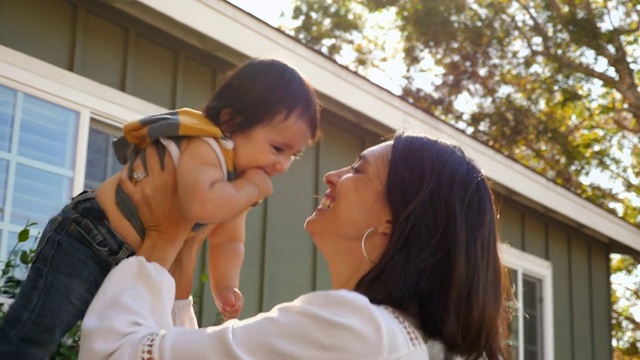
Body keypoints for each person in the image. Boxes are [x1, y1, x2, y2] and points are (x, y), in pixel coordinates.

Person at [79, 132, 512, 360]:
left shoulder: (355, 328)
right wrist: (184, 257)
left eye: (358, 170)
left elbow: (117, 355)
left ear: (391, 221)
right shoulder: (389, 340)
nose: (332, 176)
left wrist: (162, 236)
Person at [0, 58, 321, 359]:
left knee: (118, 341)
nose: (282, 165)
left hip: (137, 264)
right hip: (89, 237)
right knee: (35, 333)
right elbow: (201, 204)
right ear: (231, 121)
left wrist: (226, 286)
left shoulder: (238, 185)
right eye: (277, 148)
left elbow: (228, 241)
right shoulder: (205, 146)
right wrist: (248, 188)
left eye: (293, 155)